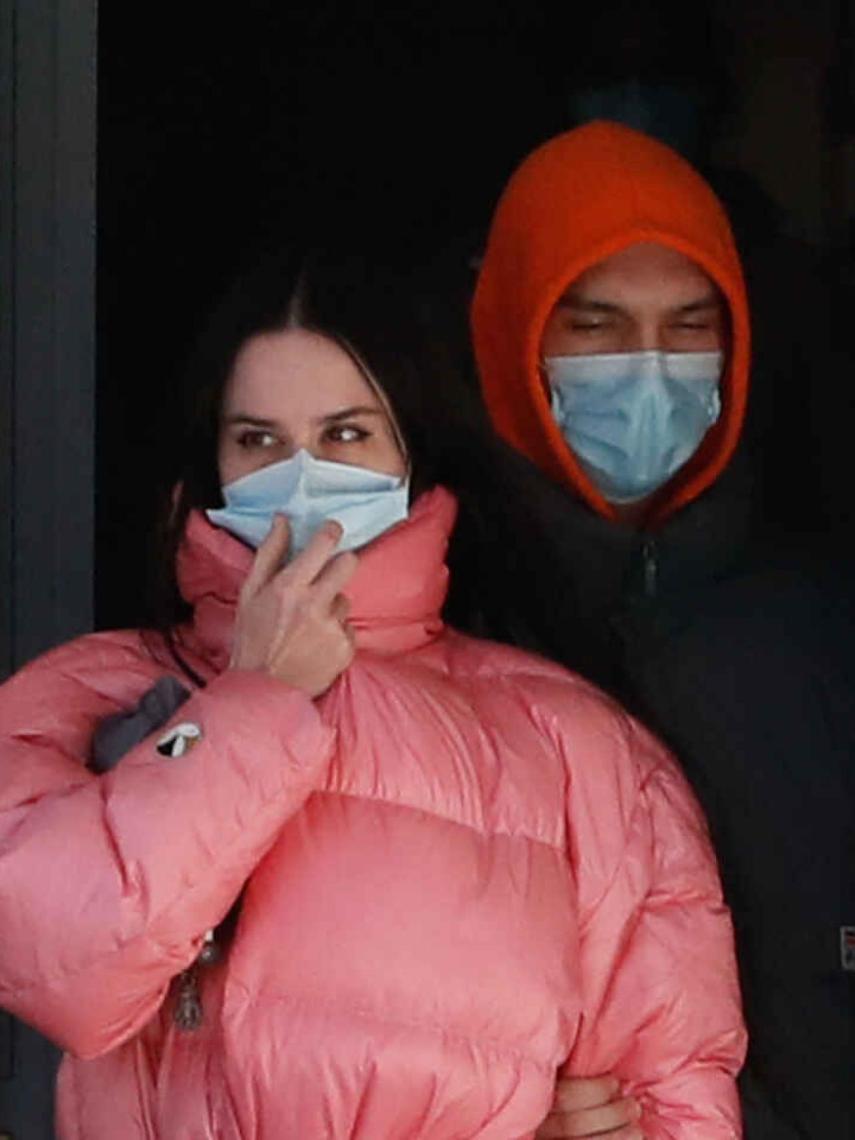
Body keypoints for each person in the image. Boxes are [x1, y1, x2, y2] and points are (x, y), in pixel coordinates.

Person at [0, 247, 744, 1138]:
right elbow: (67, 973)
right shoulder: (85, 693)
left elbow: (674, 1096)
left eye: (346, 435)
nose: (301, 474)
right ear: (210, 462)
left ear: (416, 455)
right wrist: (254, 699)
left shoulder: (578, 747)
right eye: (257, 441)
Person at [472, 119, 851, 1137]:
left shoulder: (814, 625)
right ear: (509, 333)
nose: (648, 371)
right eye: (593, 325)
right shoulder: (436, 633)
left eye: (690, 325)